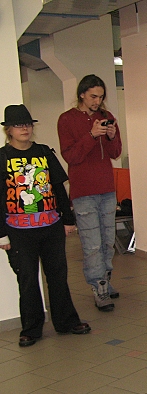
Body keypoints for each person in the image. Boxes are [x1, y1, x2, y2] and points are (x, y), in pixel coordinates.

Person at [1, 104, 90, 347]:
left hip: (50, 227)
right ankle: (31, 328)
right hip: (18, 231)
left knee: (58, 275)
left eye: (28, 124)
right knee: (28, 279)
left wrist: (68, 219)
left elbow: (59, 188)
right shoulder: (2, 157)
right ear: (9, 130)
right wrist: (1, 234)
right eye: (18, 125)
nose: (25, 129)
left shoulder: (44, 152)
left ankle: (66, 321)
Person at [57, 74, 122, 312]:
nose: (97, 101)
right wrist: (92, 135)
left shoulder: (106, 116)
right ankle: (98, 286)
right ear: (82, 94)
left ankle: (105, 279)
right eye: (93, 96)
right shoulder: (67, 119)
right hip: (83, 191)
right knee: (92, 244)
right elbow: (71, 156)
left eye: (101, 97)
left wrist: (112, 136)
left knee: (107, 241)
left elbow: (115, 153)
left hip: (107, 189)